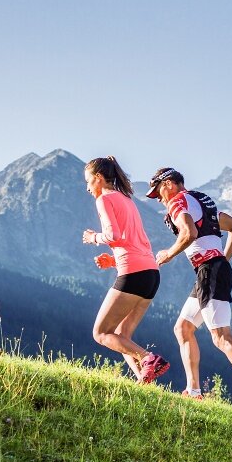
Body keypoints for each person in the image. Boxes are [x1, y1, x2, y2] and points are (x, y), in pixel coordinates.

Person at [146, 167, 232, 415]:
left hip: (210, 271)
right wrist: (223, 260)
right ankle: (193, 391)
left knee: (221, 337)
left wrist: (168, 254)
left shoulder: (177, 202)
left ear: (168, 185)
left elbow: (189, 233)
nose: (159, 200)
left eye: (157, 193)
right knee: (183, 328)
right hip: (210, 271)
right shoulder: (200, 202)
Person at [81, 156, 170, 384]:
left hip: (133, 274)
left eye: (88, 181)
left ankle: (149, 359)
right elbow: (134, 242)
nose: (88, 187)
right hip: (150, 274)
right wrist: (114, 261)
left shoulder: (104, 199)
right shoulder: (127, 200)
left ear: (99, 178)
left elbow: (113, 235)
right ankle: (143, 381)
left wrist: (93, 238)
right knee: (122, 335)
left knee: (101, 333)